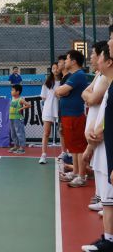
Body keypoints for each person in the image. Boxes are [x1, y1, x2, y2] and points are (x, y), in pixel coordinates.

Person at [81, 43, 113, 252]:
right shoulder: (106, 83)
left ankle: (109, 241)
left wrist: (97, 133)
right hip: (102, 148)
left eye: (98, 55)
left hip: (107, 150)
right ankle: (108, 239)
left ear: (108, 61)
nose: (95, 58)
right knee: (108, 202)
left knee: (109, 200)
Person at [81, 42, 109, 207]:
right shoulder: (98, 75)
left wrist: (89, 96)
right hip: (94, 130)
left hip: (100, 131)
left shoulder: (105, 78)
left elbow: (92, 99)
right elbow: (85, 93)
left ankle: (105, 200)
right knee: (97, 164)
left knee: (104, 166)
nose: (91, 57)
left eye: (93, 54)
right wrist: (88, 96)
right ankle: (101, 197)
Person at [56, 50, 89, 187]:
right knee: (73, 147)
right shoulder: (73, 76)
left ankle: (81, 176)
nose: (65, 61)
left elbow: (60, 91)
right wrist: (63, 91)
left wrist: (63, 91)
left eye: (68, 59)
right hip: (68, 116)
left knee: (79, 147)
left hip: (75, 116)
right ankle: (75, 172)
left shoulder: (78, 75)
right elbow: (59, 92)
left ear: (74, 61)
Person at [39, 63, 60, 164]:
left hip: (60, 109)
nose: (55, 70)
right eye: (53, 68)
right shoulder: (47, 83)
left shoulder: (64, 82)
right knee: (46, 133)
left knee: (62, 132)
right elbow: (43, 97)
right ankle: (43, 155)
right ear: (51, 70)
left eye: (57, 68)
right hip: (48, 110)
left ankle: (64, 153)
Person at [9, 84, 31, 154]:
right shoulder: (12, 99)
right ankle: (16, 146)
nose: (11, 91)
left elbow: (29, 105)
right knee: (13, 133)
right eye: (11, 90)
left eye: (13, 90)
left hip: (18, 119)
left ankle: (22, 147)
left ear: (17, 92)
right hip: (11, 118)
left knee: (19, 132)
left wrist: (21, 108)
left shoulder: (20, 99)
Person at [57, 54, 70, 160]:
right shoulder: (62, 78)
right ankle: (63, 151)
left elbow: (64, 93)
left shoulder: (69, 77)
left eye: (60, 62)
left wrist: (59, 92)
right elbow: (58, 94)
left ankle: (69, 152)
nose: (58, 64)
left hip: (68, 110)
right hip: (61, 109)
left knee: (67, 131)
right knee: (61, 130)